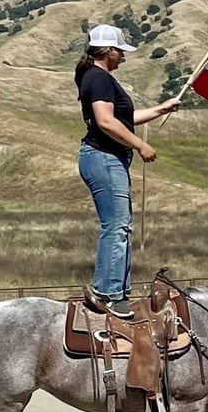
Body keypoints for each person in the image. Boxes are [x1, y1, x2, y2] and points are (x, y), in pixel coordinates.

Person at [75, 24, 181, 320]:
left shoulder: (97, 78)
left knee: (122, 225)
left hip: (108, 158)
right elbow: (107, 122)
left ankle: (118, 292)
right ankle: (107, 293)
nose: (123, 56)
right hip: (105, 157)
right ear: (107, 51)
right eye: (120, 50)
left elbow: (125, 118)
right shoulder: (99, 79)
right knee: (117, 225)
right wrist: (139, 146)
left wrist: (161, 109)